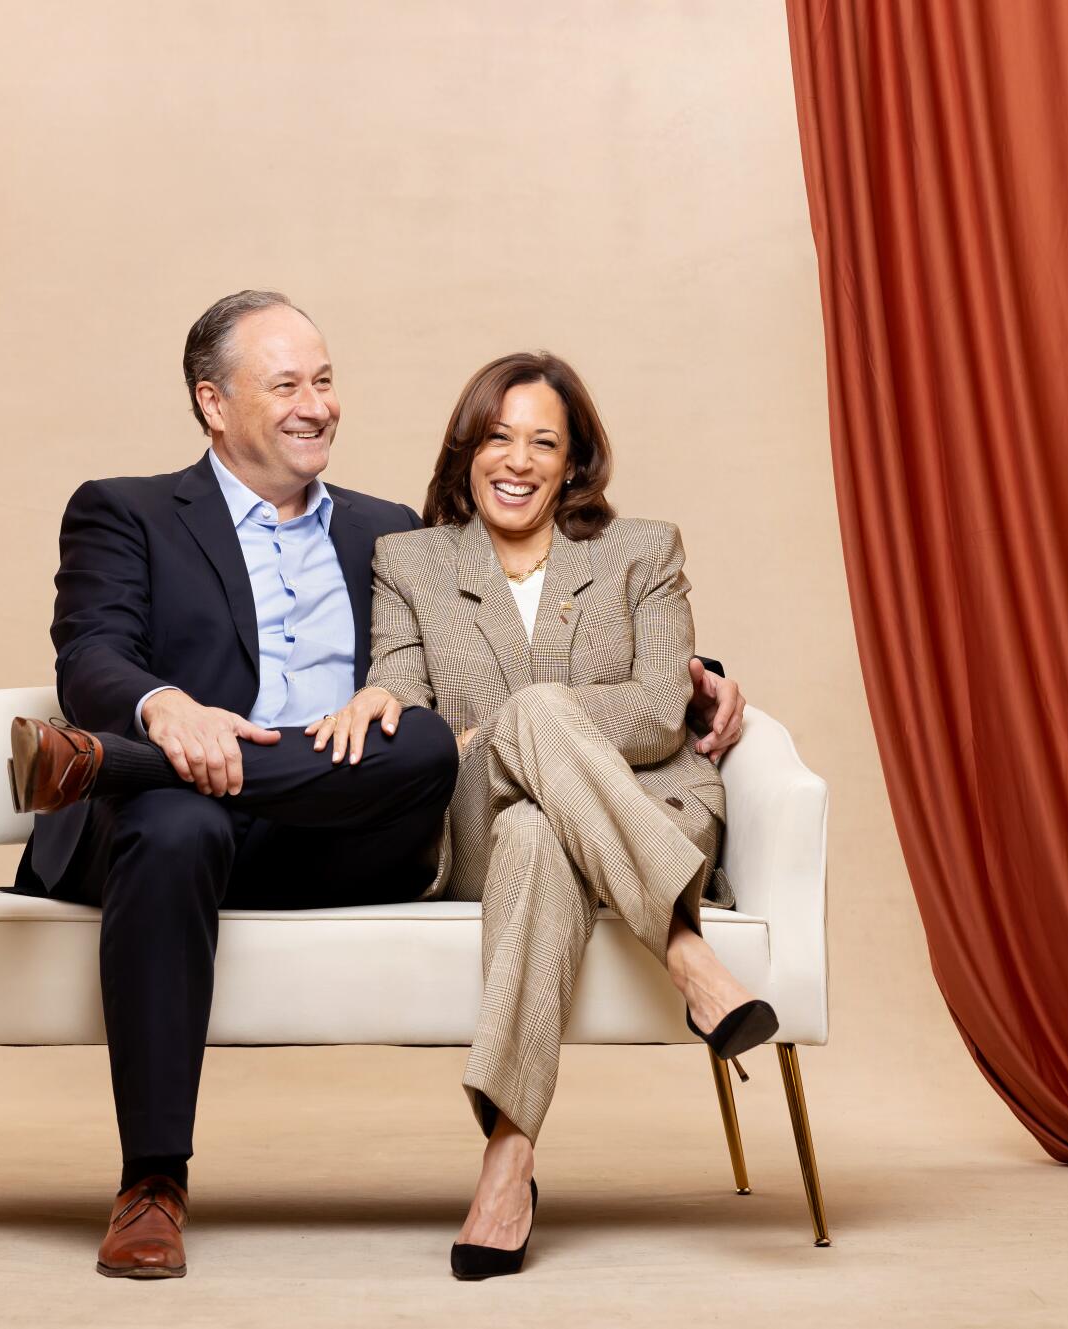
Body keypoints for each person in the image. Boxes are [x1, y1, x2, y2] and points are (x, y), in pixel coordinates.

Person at [6, 294, 747, 1279]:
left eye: (322, 380)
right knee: (176, 822)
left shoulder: (383, 534)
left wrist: (695, 677)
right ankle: (151, 1183)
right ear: (212, 403)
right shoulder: (125, 509)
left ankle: (99, 765)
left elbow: (492, 647)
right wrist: (160, 712)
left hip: (343, 824)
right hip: (184, 816)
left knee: (424, 745)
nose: (316, 405)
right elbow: (91, 654)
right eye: (285, 384)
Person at [308, 351, 771, 1279]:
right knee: (518, 788)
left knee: (535, 824)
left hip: (647, 806)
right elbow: (406, 699)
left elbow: (653, 712)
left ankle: (508, 1162)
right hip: (471, 820)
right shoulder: (409, 562)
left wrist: (515, 720)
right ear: (468, 450)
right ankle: (687, 954)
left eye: (543, 442)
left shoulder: (644, 549)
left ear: (574, 462)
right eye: (497, 436)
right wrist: (492, 725)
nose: (516, 460)